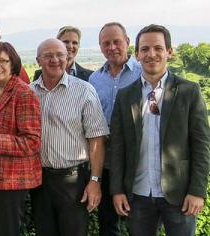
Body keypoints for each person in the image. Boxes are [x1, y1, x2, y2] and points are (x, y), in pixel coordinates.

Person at [110, 24, 210, 236]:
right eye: (144, 49)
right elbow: (118, 147)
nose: (151, 54)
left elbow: (201, 145)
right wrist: (117, 190)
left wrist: (197, 191)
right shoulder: (125, 96)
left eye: (158, 48)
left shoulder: (188, 92)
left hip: (180, 195)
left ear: (169, 52)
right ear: (136, 54)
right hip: (138, 196)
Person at [29, 39, 109, 236]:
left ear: (67, 58)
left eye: (59, 55)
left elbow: (96, 139)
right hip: (39, 180)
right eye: (48, 56)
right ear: (38, 60)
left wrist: (95, 180)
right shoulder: (29, 93)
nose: (54, 59)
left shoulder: (84, 90)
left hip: (74, 181)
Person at [0, 42, 43, 236]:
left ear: (13, 64)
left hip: (11, 180)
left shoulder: (24, 93)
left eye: (3, 61)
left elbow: (32, 142)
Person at [88, 22, 142, 236]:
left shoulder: (142, 73)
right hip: (107, 164)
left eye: (116, 42)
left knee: (140, 223)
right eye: (106, 43)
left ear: (127, 42)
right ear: (100, 47)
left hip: (136, 163)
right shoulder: (94, 79)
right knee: (108, 223)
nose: (112, 47)